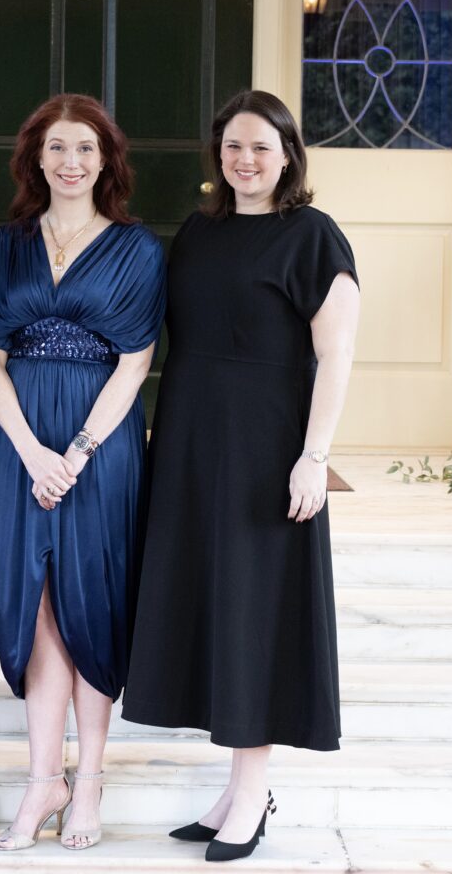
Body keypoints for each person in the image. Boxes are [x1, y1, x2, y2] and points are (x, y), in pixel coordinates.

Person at [122, 90, 360, 863]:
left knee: (254, 613)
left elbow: (337, 355)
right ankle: (233, 789)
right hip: (193, 446)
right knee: (214, 608)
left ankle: (253, 794)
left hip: (266, 453)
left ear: (288, 154)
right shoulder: (199, 232)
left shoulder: (313, 238)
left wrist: (314, 457)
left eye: (261, 146)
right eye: (231, 147)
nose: (245, 160)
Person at [0, 94, 165, 852]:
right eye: (56, 147)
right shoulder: (5, 245)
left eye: (85, 147)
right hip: (24, 444)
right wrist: (25, 452)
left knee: (94, 602)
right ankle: (41, 779)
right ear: (35, 159)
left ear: (107, 160)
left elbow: (136, 362)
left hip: (101, 447)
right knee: (37, 604)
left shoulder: (137, 248)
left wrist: (78, 453)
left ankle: (90, 782)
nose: (71, 161)